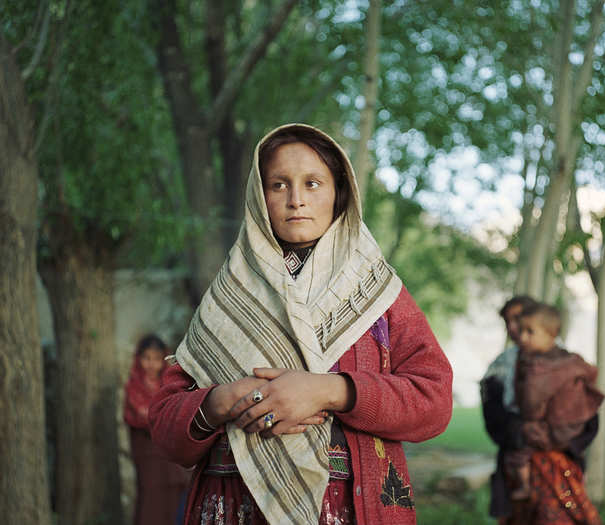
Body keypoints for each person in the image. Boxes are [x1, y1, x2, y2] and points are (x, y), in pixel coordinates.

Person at [148, 123, 453, 525]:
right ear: (259, 197)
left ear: (339, 193)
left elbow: (433, 400)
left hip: (349, 509)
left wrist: (333, 390)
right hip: (234, 508)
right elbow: (166, 427)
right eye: (278, 185)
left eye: (313, 184)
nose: (296, 200)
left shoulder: (378, 294)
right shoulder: (229, 297)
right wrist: (220, 401)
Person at [481, 299, 602, 524]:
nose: (513, 327)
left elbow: (587, 417)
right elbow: (493, 417)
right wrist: (521, 432)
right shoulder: (500, 366)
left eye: (519, 320)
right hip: (517, 460)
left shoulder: (565, 364)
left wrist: (557, 438)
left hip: (559, 460)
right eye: (508, 321)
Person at [124, 334, 190, 525]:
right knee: (151, 497)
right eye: (146, 358)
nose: (151, 364)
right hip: (147, 452)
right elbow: (143, 415)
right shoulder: (134, 386)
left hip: (169, 450)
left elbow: (179, 410)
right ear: (138, 359)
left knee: (174, 492)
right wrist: (167, 415)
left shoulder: (169, 385)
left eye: (156, 359)